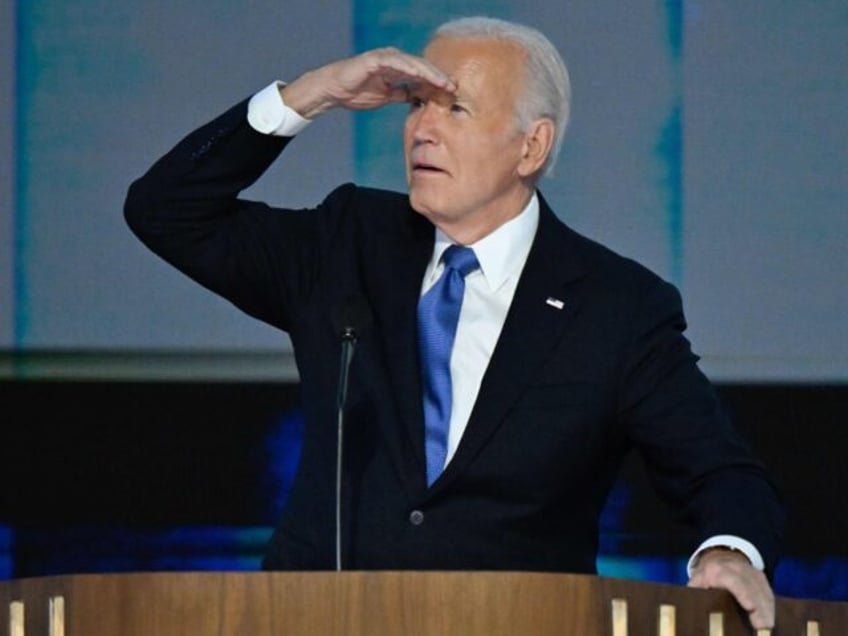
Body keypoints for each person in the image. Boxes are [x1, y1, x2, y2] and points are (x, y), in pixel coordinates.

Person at [124, 16, 785, 629]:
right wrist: (310, 94)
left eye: (456, 109)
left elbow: (719, 473)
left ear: (531, 146)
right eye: (417, 105)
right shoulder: (351, 242)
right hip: (319, 619)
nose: (422, 130)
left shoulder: (615, 307)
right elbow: (166, 211)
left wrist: (727, 553)